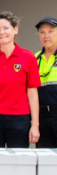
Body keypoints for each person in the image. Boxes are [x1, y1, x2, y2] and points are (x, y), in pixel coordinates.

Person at [0, 11, 40, 148]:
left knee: (18, 163)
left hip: (19, 118)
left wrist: (35, 125)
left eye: (6, 28)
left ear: (15, 30)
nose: (1, 32)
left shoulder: (28, 58)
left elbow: (33, 94)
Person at [35, 17, 57, 147]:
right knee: (44, 159)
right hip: (41, 117)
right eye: (42, 32)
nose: (46, 36)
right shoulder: (34, 58)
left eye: (51, 31)